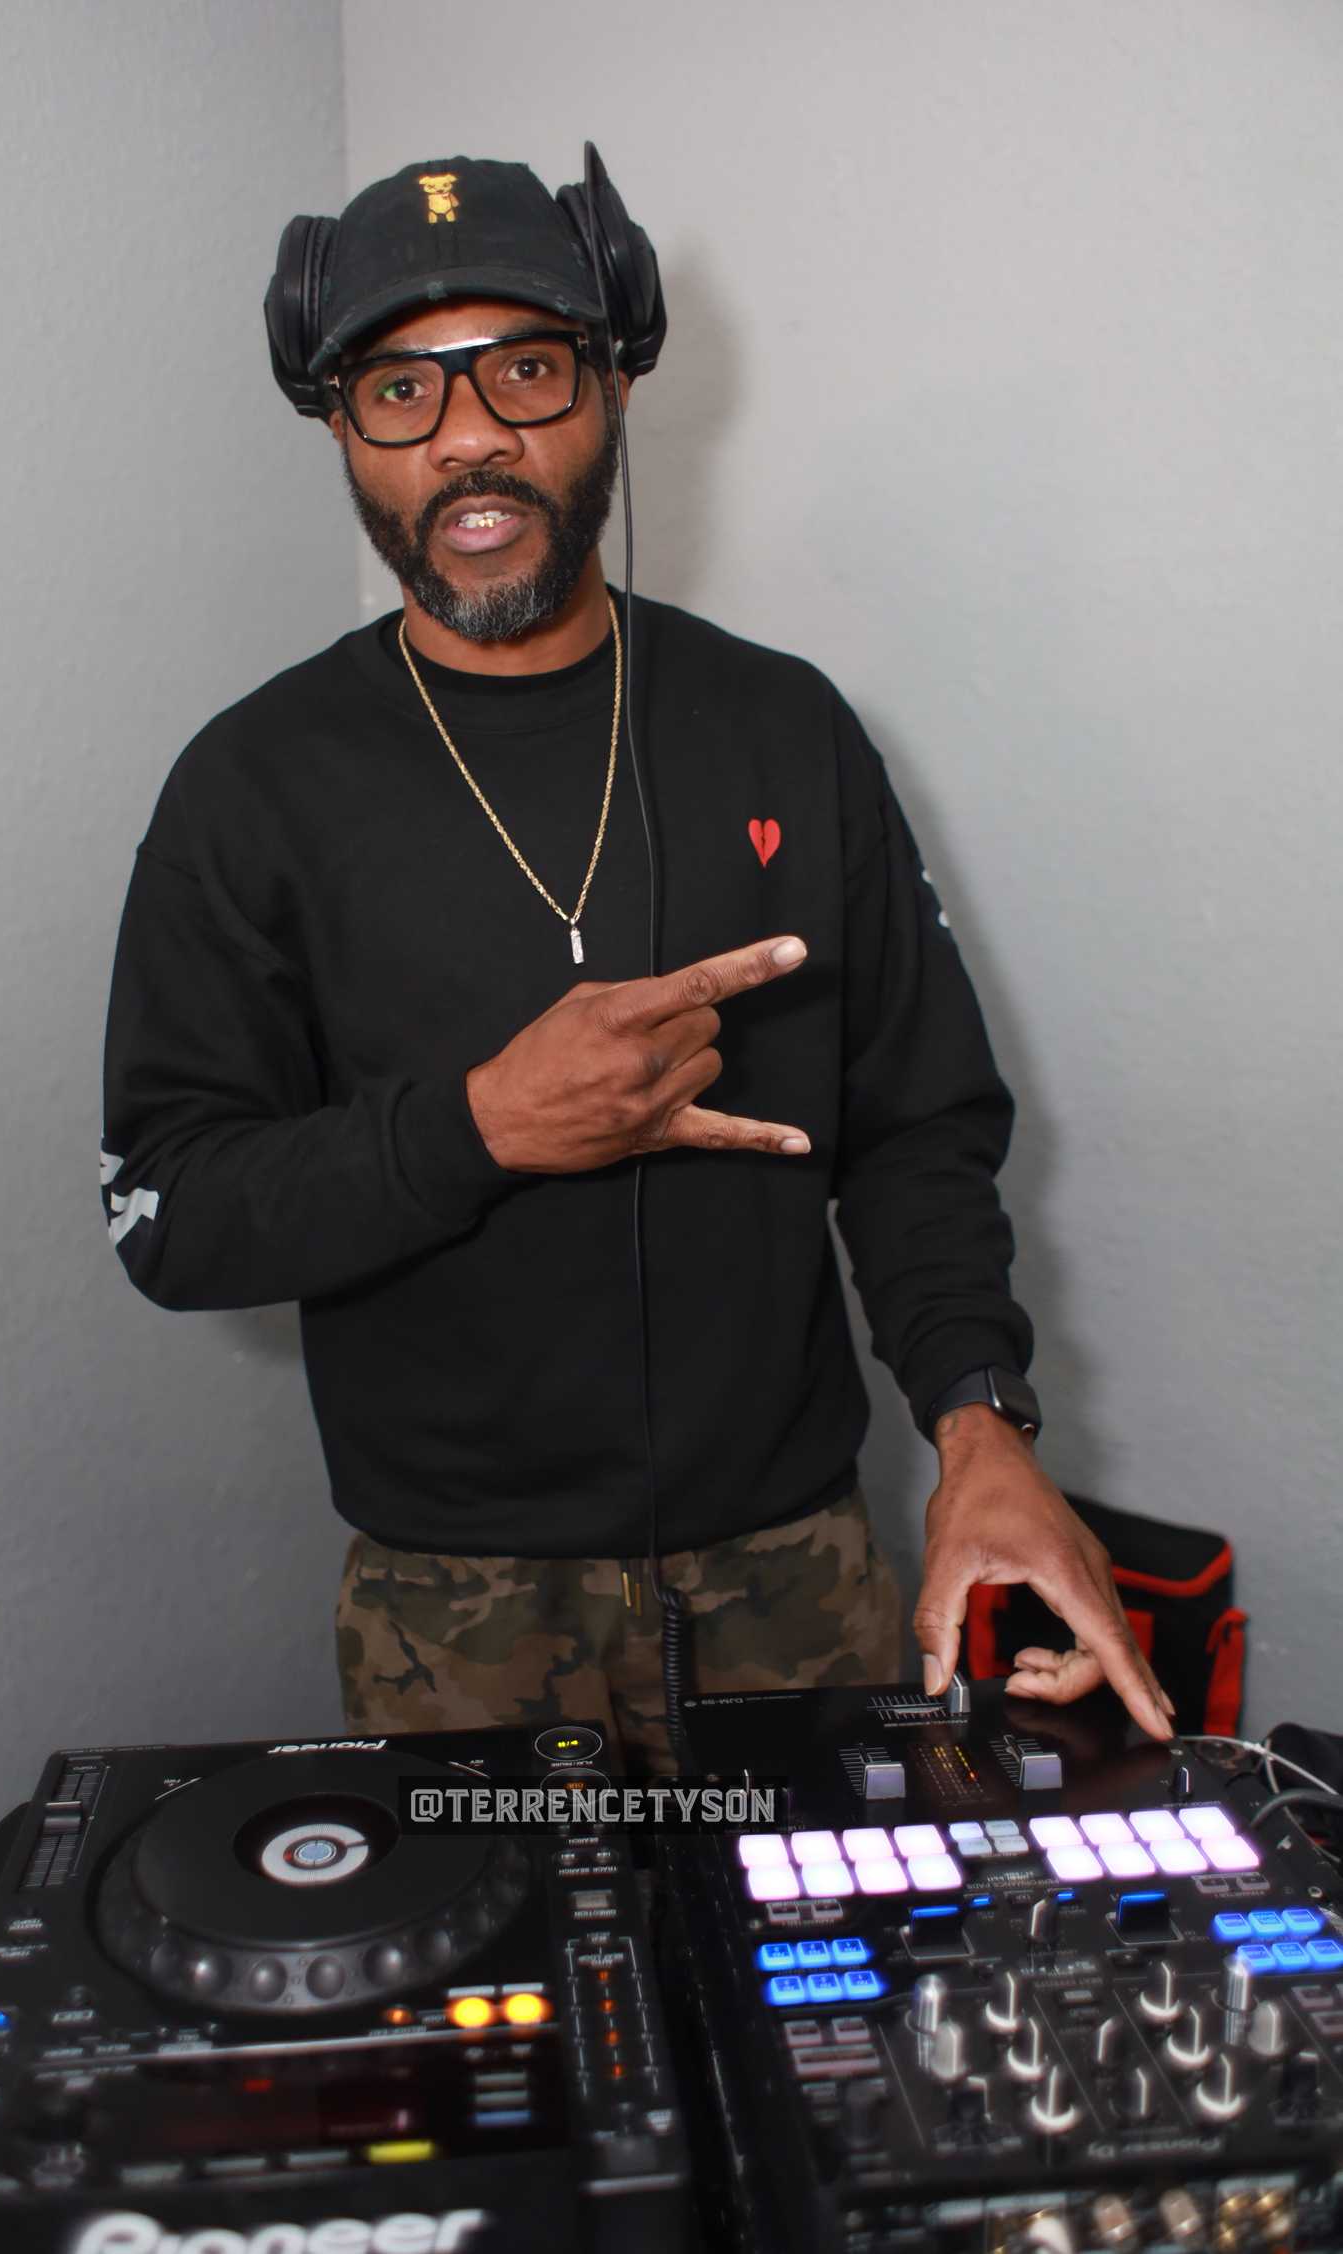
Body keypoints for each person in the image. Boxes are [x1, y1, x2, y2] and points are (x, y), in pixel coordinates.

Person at [101, 155, 1173, 1769]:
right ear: (340, 429)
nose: (468, 436)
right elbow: (169, 1207)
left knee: (818, 1930)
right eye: (401, 387)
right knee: (508, 1951)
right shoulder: (250, 785)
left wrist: (981, 1420)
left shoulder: (785, 728)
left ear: (613, 385)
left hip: (797, 1568)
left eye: (526, 369)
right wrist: (480, 1125)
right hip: (446, 1603)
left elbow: (916, 1126)